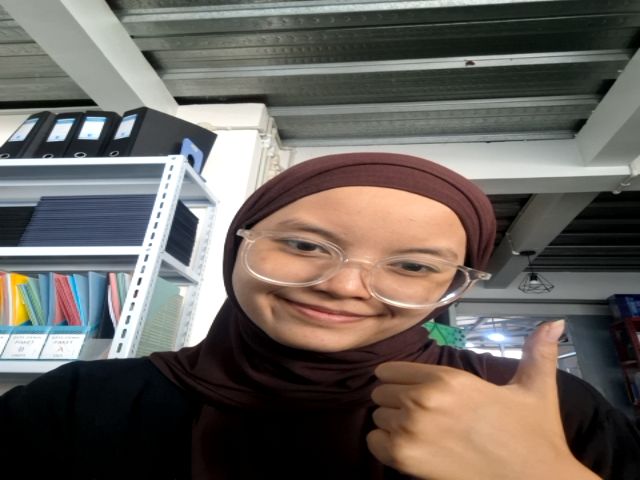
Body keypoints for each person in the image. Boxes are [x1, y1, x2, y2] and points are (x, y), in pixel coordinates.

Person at [1, 152, 639, 479]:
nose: (343, 287)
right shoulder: (80, 401)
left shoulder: (544, 408)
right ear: (239, 244)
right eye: (305, 246)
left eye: (412, 265)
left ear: (453, 285)